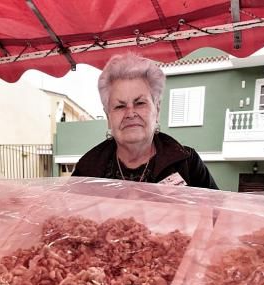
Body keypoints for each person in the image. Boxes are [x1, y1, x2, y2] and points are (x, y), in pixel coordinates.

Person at [73, 53, 216, 189]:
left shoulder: (187, 163)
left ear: (157, 110)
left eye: (140, 103)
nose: (130, 113)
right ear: (108, 117)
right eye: (120, 106)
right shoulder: (86, 170)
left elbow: (218, 213)